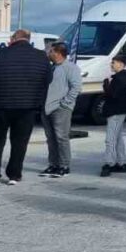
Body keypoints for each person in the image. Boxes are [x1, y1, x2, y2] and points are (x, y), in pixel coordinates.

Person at [0, 29, 53, 186]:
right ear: (28, 39)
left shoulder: (1, 54)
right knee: (20, 142)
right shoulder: (41, 56)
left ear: (13, 39)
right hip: (28, 106)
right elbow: (48, 79)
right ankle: (14, 174)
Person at [41, 42, 81, 177]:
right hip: (47, 108)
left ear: (58, 53)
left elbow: (76, 87)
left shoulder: (70, 68)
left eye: (50, 51)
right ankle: (53, 164)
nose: (48, 53)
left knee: (61, 137)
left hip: (60, 108)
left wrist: (65, 103)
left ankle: (64, 165)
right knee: (50, 138)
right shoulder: (51, 68)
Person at [100, 55, 126, 176]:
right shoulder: (124, 77)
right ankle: (121, 162)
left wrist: (106, 85)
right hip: (120, 110)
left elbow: (113, 95)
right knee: (117, 137)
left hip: (115, 111)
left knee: (110, 139)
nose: (111, 65)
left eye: (113, 62)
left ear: (121, 64)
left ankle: (109, 163)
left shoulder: (120, 79)